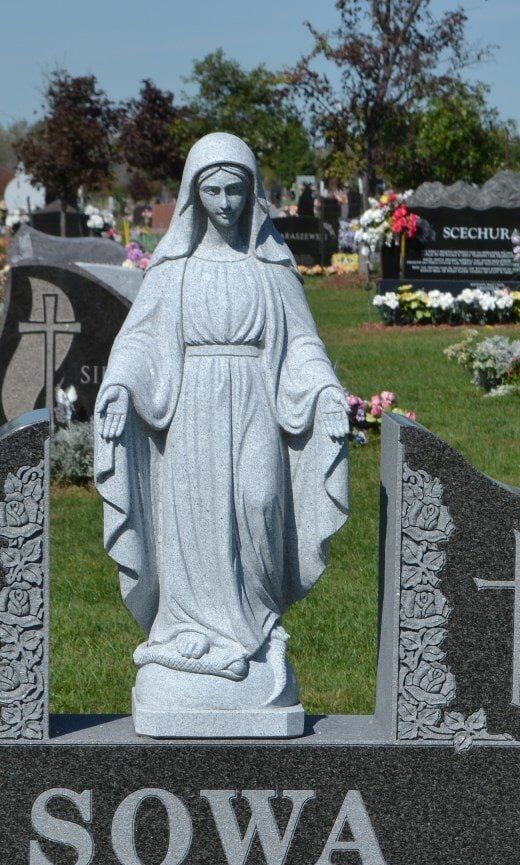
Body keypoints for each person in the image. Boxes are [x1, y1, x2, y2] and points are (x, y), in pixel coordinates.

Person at [94, 132, 350, 734]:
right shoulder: (175, 269)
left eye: (237, 189)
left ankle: (257, 635)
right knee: (198, 521)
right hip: (191, 412)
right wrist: (120, 389)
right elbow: (139, 341)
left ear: (253, 192)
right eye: (213, 189)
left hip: (256, 403)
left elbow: (303, 344)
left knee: (260, 504)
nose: (226, 201)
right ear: (193, 194)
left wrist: (324, 392)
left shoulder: (270, 266)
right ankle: (191, 635)